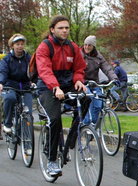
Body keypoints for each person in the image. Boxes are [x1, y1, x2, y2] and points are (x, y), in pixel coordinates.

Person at [36, 15, 87, 176]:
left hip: (65, 84)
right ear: (52, 30)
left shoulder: (72, 47)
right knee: (55, 119)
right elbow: (44, 70)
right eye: (61, 28)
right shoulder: (45, 47)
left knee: (86, 98)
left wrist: (78, 80)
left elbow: (79, 67)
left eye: (67, 28)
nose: (65, 30)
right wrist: (55, 87)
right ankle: (51, 161)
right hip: (47, 87)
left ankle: (70, 141)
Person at [0, 34, 34, 150]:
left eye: (22, 44)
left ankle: (27, 144)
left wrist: (34, 82)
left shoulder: (28, 58)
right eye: (17, 44)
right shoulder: (7, 59)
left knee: (28, 114)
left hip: (25, 87)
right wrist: (1, 83)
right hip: (11, 86)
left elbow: (34, 71)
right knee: (10, 98)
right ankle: (8, 124)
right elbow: (3, 72)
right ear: (12, 45)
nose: (20, 46)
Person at [81, 35, 118, 125]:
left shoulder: (98, 56)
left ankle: (92, 126)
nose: (87, 47)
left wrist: (114, 78)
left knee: (99, 104)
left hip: (94, 83)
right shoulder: (79, 54)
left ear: (93, 46)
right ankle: (85, 125)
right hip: (83, 83)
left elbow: (106, 68)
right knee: (89, 99)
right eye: (85, 44)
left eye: (89, 45)